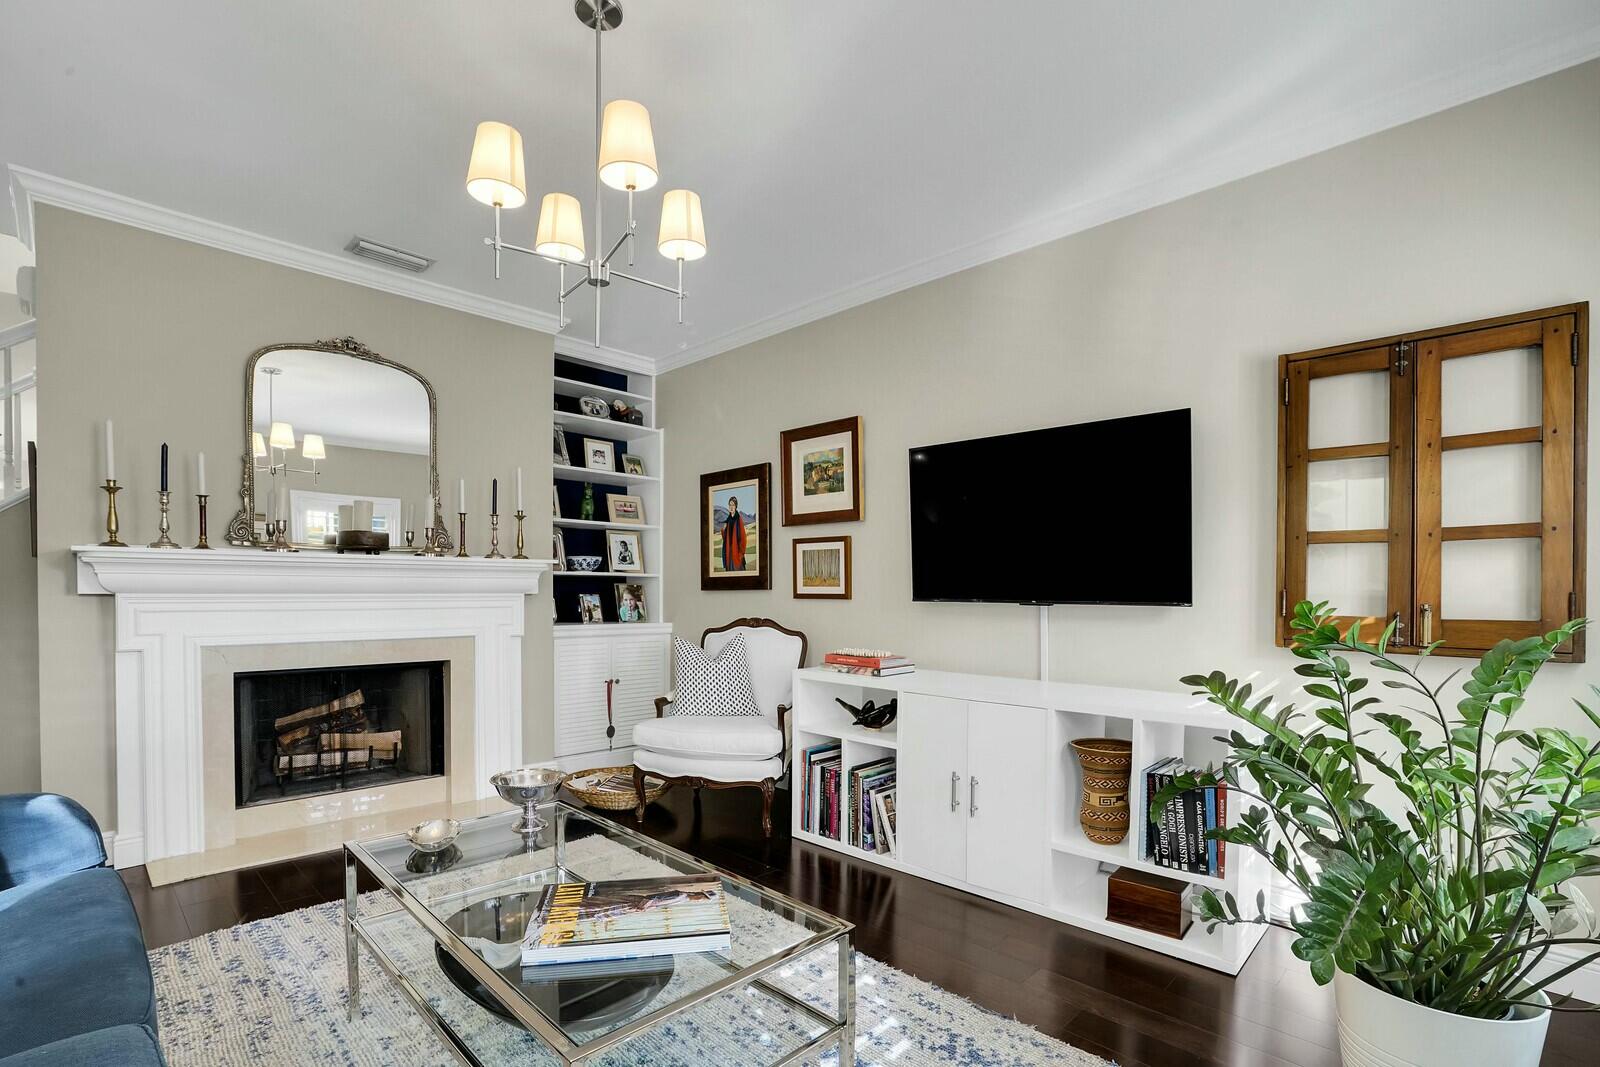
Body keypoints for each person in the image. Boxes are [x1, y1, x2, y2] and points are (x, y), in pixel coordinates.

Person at [720, 494, 747, 571]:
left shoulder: (738, 519)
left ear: (736, 506)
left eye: (733, 505)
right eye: (730, 505)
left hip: (737, 554)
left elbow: (743, 538)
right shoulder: (728, 520)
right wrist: (723, 530)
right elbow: (725, 538)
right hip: (729, 552)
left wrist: (741, 554)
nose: (731, 507)